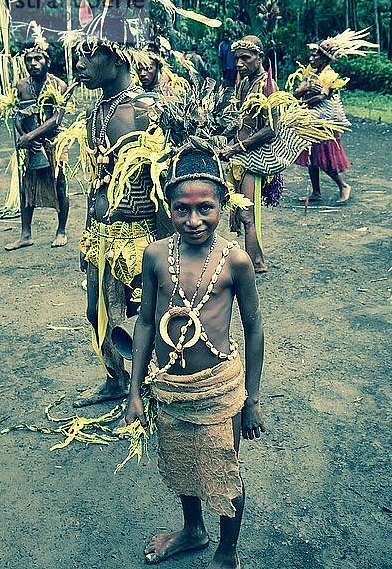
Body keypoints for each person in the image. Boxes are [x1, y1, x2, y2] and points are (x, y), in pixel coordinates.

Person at [125, 141, 265, 568]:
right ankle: (193, 530)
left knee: (222, 472)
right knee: (183, 462)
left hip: (219, 390)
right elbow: (146, 322)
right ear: (167, 207)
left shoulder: (235, 261)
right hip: (170, 387)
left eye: (205, 207)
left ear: (223, 204)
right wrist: (134, 391)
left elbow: (255, 327)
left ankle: (227, 551)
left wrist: (252, 399)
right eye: (182, 209)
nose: (194, 219)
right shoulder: (154, 255)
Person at [67, 15, 162, 408]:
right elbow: (99, 178)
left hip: (139, 237)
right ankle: (116, 379)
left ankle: (153, 385)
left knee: (145, 316)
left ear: (121, 56)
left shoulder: (147, 109)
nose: (79, 65)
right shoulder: (99, 109)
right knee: (96, 313)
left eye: (90, 54)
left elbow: (165, 180)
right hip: (100, 237)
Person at [292, 29, 378, 204]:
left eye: (315, 56)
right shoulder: (310, 73)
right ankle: (316, 192)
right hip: (311, 121)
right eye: (310, 56)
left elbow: (321, 97)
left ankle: (343, 186)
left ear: (324, 58)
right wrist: (305, 91)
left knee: (324, 157)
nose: (311, 59)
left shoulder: (329, 75)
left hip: (326, 122)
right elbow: (297, 92)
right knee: (311, 156)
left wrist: (304, 100)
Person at [219, 35, 278, 273]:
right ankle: (254, 260)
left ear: (260, 58)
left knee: (247, 215)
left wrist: (236, 148)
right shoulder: (243, 82)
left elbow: (271, 130)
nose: (240, 63)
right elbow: (239, 118)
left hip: (254, 159)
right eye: (237, 58)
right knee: (241, 212)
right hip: (239, 156)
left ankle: (256, 263)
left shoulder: (267, 85)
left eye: (246, 58)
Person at [5, 38, 69, 250]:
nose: (33, 63)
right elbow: (17, 116)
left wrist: (29, 137)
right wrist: (25, 136)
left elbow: (56, 120)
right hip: (30, 146)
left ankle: (61, 231)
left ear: (47, 61)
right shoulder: (22, 85)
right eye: (29, 59)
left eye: (37, 58)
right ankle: (25, 234)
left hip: (54, 143)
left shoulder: (59, 85)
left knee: (60, 184)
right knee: (26, 187)